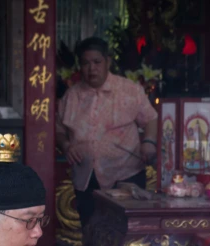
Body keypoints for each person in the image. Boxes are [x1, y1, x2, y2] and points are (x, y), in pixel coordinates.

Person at [56, 37, 158, 228]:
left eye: (97, 62)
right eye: (85, 63)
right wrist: (66, 145)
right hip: (87, 179)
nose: (91, 68)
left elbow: (151, 118)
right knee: (92, 234)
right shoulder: (72, 96)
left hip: (125, 174)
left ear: (108, 62)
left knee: (126, 236)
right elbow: (59, 130)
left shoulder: (129, 90)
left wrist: (149, 142)